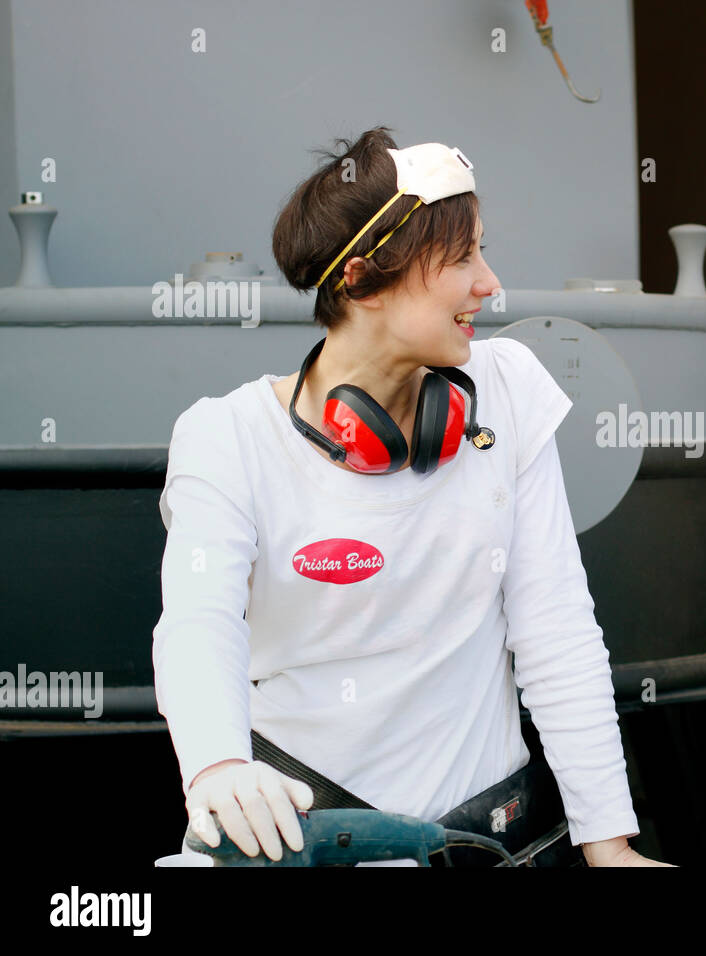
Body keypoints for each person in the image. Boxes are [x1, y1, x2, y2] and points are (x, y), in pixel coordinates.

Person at [152, 127, 667, 866]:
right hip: (315, 842)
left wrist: (608, 845)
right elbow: (198, 626)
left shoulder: (509, 389)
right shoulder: (224, 437)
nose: (489, 283)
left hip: (492, 843)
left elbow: (556, 630)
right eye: (461, 259)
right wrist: (216, 766)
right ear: (360, 279)